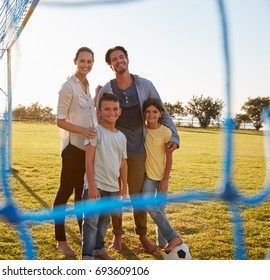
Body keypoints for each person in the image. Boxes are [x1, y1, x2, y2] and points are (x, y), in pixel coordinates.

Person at [95, 46, 180, 254]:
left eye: (121, 57)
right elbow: (96, 116)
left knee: (138, 196)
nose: (119, 61)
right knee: (114, 195)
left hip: (137, 151)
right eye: (114, 59)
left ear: (127, 59)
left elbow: (163, 113)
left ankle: (142, 236)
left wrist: (175, 137)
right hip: (112, 151)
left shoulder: (145, 85)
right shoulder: (107, 87)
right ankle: (117, 236)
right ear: (110, 65)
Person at [54, 47, 98, 257]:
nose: (86, 65)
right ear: (75, 61)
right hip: (72, 148)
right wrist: (82, 131)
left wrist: (96, 97)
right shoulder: (67, 86)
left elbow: (88, 114)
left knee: (81, 195)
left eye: (89, 62)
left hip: (87, 150)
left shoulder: (87, 86)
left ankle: (83, 234)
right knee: (64, 192)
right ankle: (61, 240)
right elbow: (59, 121)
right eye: (82, 61)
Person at [82, 93, 127, 260]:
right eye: (107, 109)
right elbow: (88, 160)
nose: (111, 112)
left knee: (103, 222)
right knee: (91, 222)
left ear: (120, 111)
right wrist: (92, 186)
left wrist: (124, 187)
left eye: (115, 109)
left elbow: (123, 163)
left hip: (112, 187)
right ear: (99, 111)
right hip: (96, 186)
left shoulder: (121, 137)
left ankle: (99, 250)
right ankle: (87, 255)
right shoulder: (95, 132)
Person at [142, 98, 183, 253]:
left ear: (160, 114)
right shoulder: (142, 130)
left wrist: (165, 179)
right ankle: (173, 237)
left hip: (162, 177)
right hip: (148, 177)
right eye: (147, 111)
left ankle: (162, 242)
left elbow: (169, 157)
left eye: (154, 112)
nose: (151, 115)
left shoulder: (166, 132)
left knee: (161, 208)